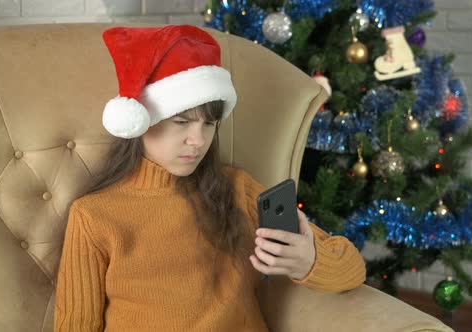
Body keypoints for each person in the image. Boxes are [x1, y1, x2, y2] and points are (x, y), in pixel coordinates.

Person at [53, 24, 366, 332]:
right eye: (181, 122)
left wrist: (309, 260)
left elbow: (352, 268)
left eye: (209, 123)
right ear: (141, 122)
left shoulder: (236, 189)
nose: (198, 140)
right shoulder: (93, 216)